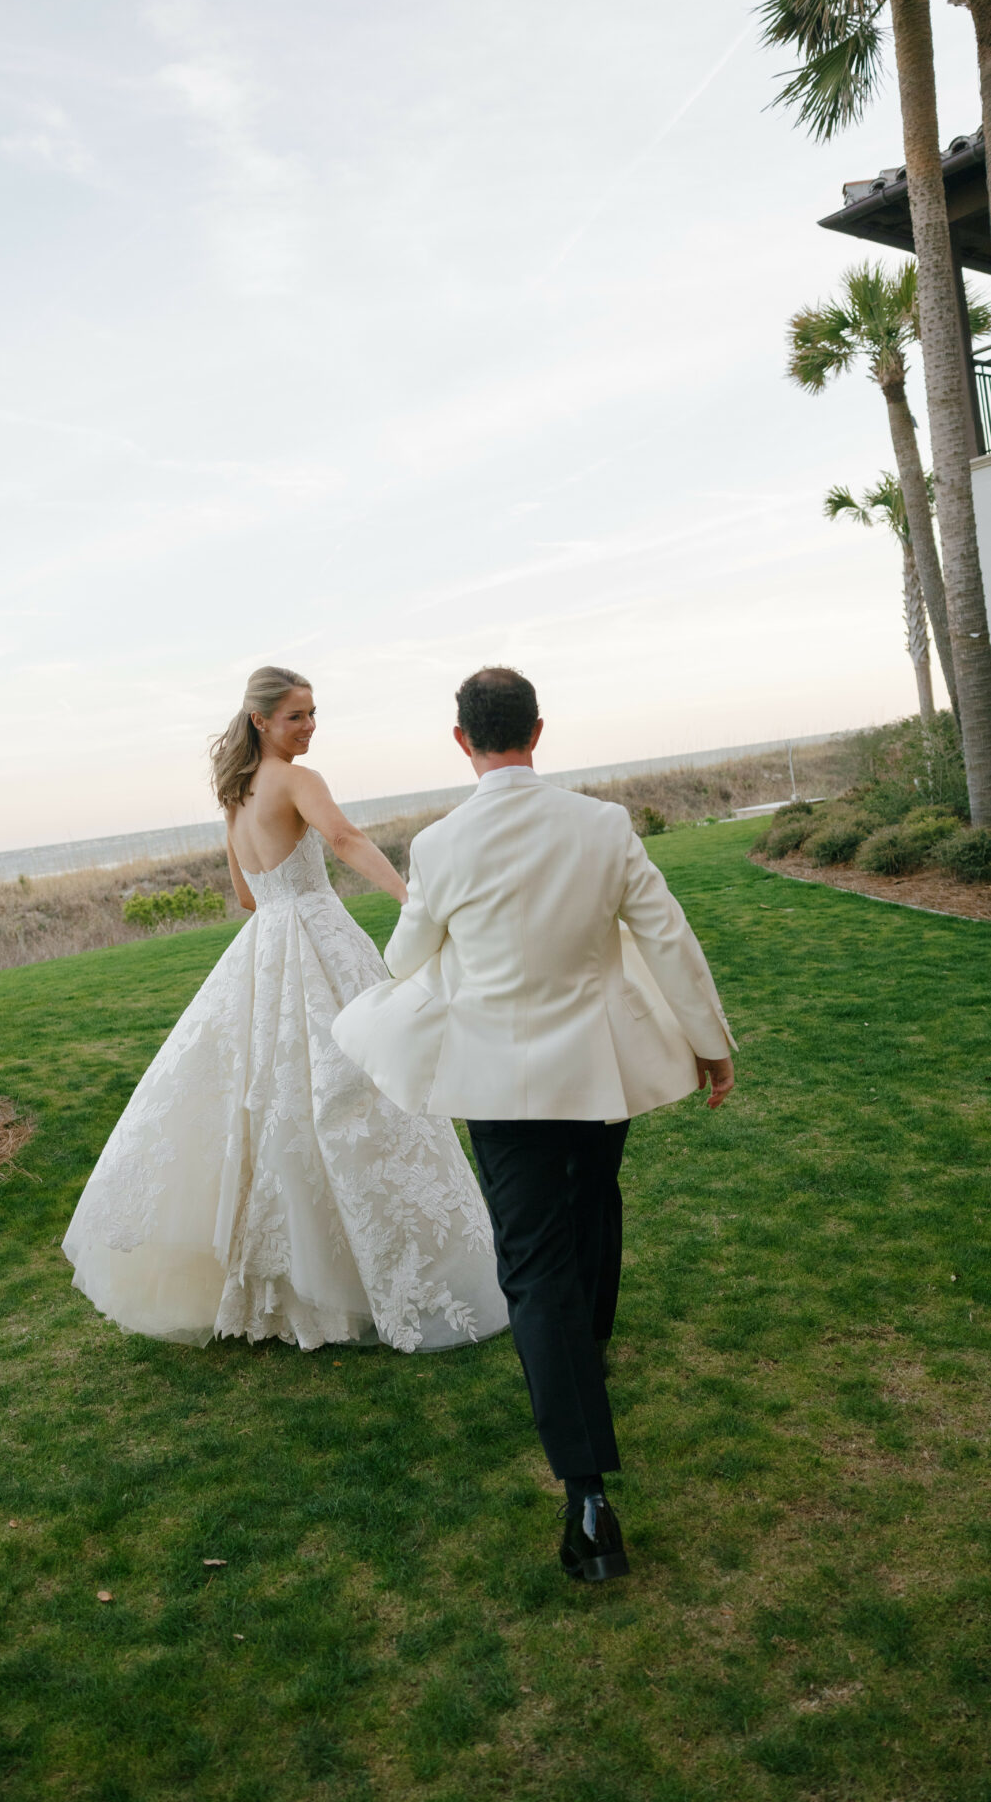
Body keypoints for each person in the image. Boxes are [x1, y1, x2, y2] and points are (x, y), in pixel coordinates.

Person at [334, 667, 735, 1581]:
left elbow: (407, 955)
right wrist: (708, 1042)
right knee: (593, 1201)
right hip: (598, 1069)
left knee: (532, 1261)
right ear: (537, 731)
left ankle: (587, 1498)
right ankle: (584, 1347)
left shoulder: (437, 845)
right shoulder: (601, 825)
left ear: (460, 741)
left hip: (498, 1082)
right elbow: (666, 936)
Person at [62, 665, 508, 1354]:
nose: (309, 726)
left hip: (264, 946)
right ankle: (359, 1276)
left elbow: (246, 897)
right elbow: (345, 841)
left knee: (274, 1101)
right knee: (355, 1091)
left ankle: (285, 1283)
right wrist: (411, 901)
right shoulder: (300, 781)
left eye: (312, 713)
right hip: (314, 937)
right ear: (261, 721)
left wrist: (283, 901)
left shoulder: (236, 797)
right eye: (296, 715)